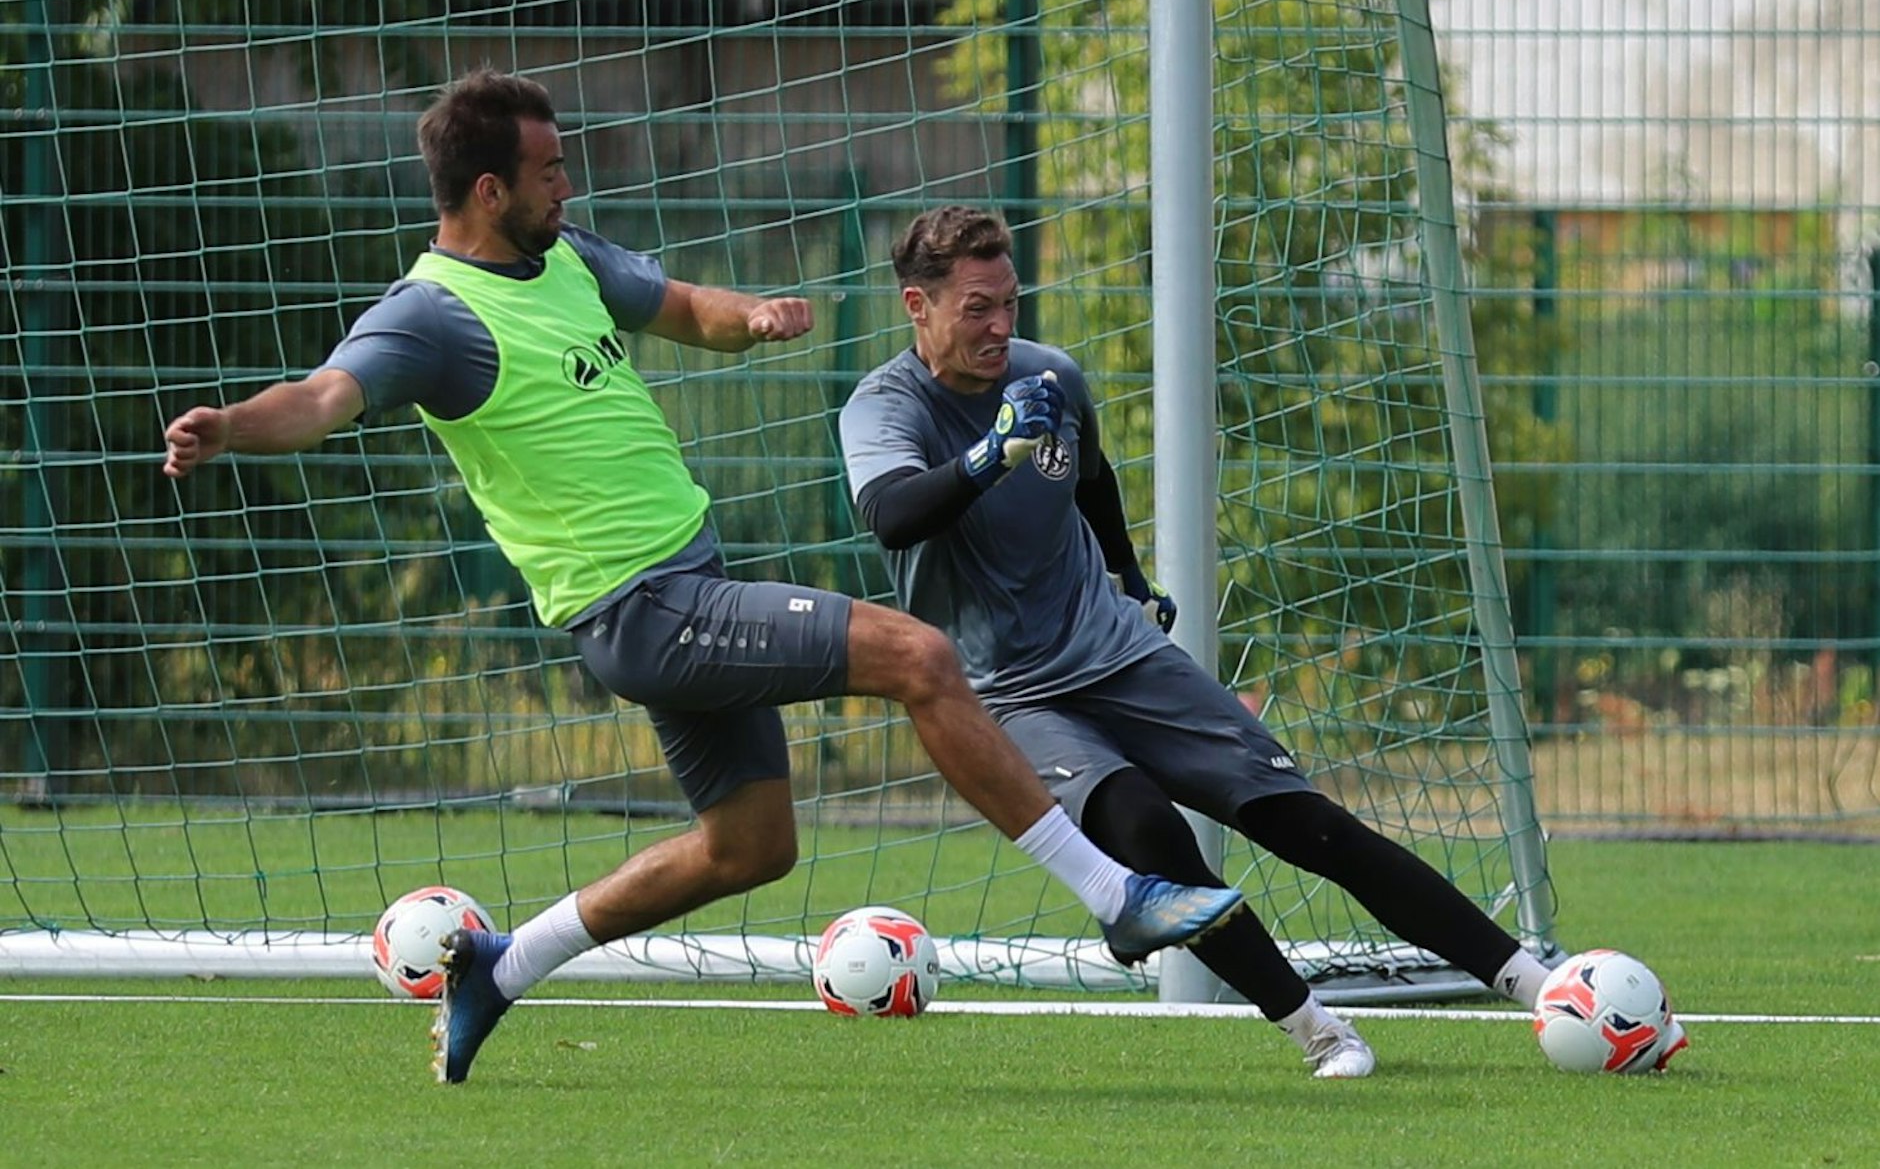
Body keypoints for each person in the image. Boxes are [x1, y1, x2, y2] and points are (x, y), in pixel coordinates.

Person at [161, 73, 1245, 1084]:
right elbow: (319, 397)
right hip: (647, 609)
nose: (565, 181)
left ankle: (497, 968)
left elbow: (680, 306)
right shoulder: (429, 312)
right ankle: (1116, 894)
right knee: (918, 654)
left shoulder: (567, 259)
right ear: (488, 190)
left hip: (685, 583)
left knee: (750, 846)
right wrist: (230, 427)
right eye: (547, 171)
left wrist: (756, 319)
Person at [836, 205, 1688, 1078]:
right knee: (1144, 827)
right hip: (1011, 693)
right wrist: (993, 453)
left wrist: (1130, 576)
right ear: (918, 304)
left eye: (1011, 302)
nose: (1002, 325)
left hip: (1118, 655)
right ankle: (1322, 1031)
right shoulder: (884, 406)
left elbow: (1093, 477)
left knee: (1304, 822)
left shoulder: (1050, 377)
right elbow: (894, 516)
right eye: (979, 307)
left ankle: (1538, 986)